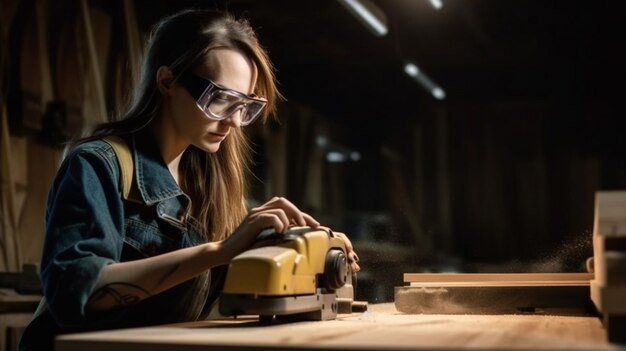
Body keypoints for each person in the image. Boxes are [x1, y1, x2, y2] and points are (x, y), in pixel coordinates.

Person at [18, 9, 360, 350]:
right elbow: (75, 291)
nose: (235, 122)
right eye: (221, 99)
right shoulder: (98, 165)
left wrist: (312, 249)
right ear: (167, 81)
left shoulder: (213, 186)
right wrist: (219, 251)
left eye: (245, 105)